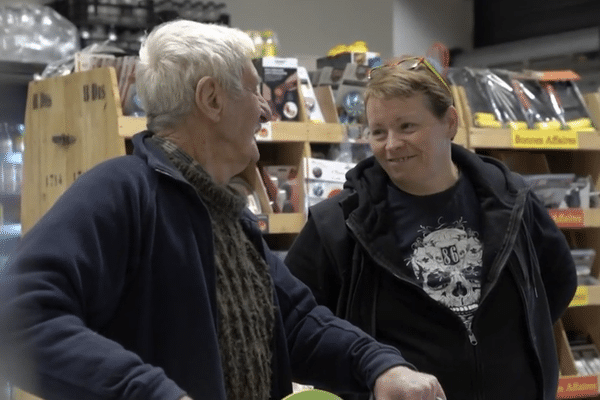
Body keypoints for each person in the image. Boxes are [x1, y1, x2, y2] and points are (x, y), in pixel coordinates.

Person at [0, 21, 448, 400]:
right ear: (212, 99)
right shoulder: (119, 191)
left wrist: (380, 367)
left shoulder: (230, 216)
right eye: (254, 91)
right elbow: (18, 320)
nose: (265, 108)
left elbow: (297, 321)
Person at [285, 56, 578, 400]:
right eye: (378, 131)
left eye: (407, 127)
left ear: (450, 122)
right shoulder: (338, 223)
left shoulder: (511, 199)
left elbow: (556, 283)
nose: (391, 144)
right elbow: (295, 322)